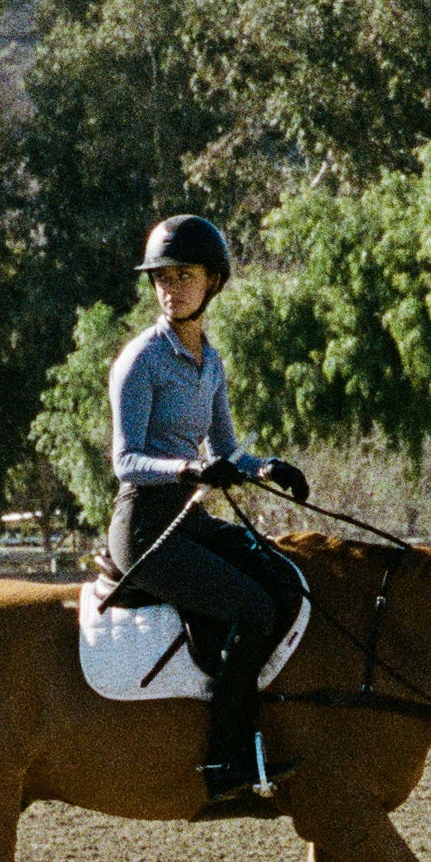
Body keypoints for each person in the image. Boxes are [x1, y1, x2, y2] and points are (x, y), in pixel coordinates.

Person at [104, 215, 311, 810]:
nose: (171, 289)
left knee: (281, 579)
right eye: (162, 278)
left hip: (187, 518)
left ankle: (264, 729)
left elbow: (226, 449)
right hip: (145, 529)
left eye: (184, 276)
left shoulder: (210, 362)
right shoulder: (141, 361)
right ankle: (224, 762)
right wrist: (190, 470)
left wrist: (265, 468)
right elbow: (125, 461)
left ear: (212, 281)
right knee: (250, 606)